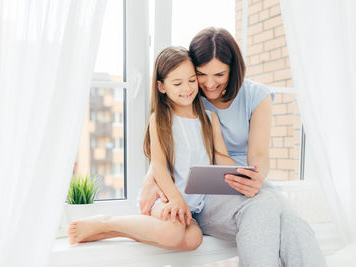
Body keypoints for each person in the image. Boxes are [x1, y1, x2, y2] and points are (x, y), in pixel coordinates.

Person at [139, 28, 326, 266]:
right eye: (200, 74)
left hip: (242, 178)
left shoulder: (255, 95)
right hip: (206, 191)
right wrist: (150, 178)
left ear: (233, 69)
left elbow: (258, 155)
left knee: (293, 223)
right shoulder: (189, 95)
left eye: (219, 74)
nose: (209, 83)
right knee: (265, 207)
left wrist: (256, 178)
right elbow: (172, 147)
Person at [68, 46, 235, 250]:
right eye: (177, 83)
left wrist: (237, 173)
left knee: (193, 240)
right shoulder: (160, 120)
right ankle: (106, 221)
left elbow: (221, 156)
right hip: (165, 199)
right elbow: (158, 166)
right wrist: (175, 199)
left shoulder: (210, 119)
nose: (187, 88)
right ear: (162, 87)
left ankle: (112, 231)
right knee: (172, 233)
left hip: (192, 206)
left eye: (192, 80)